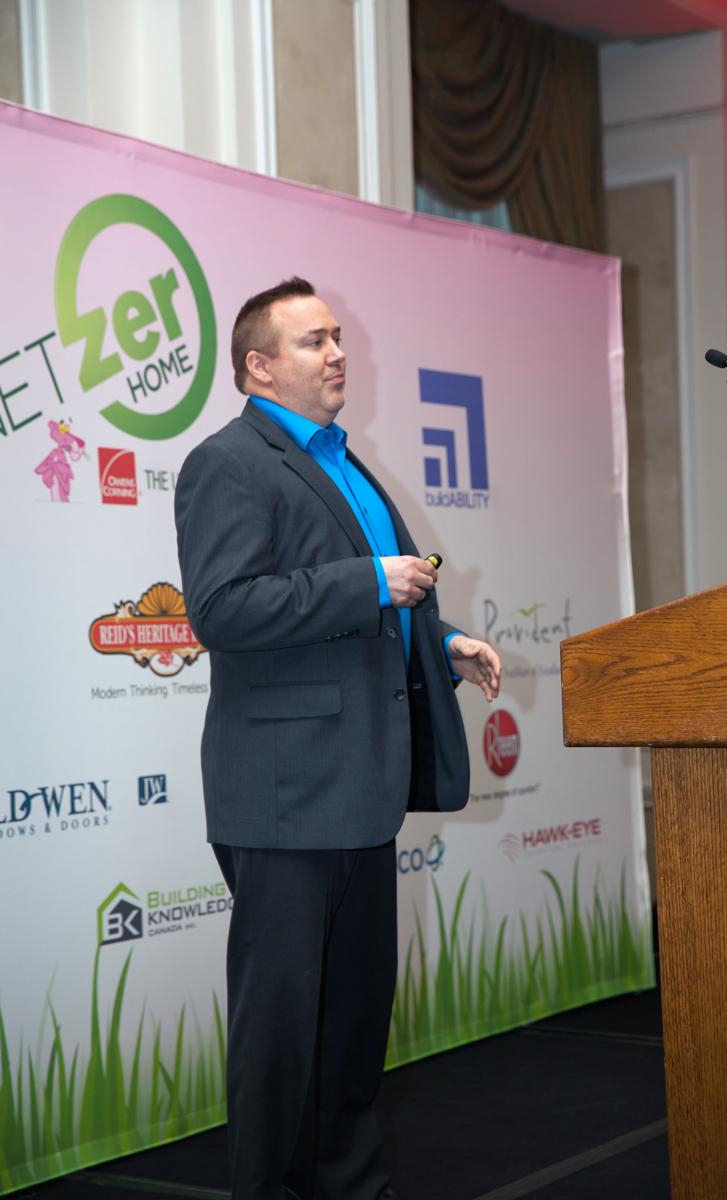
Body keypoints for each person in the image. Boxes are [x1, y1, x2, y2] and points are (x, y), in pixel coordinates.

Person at [175, 277, 501, 1199]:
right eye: (314, 341)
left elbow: (370, 602)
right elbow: (222, 609)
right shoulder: (228, 462)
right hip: (285, 795)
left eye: (336, 338)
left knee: (352, 1027)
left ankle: (354, 1187)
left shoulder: (345, 463)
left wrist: (441, 641)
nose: (336, 353)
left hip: (359, 787)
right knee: (283, 1038)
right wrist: (370, 582)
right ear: (259, 365)